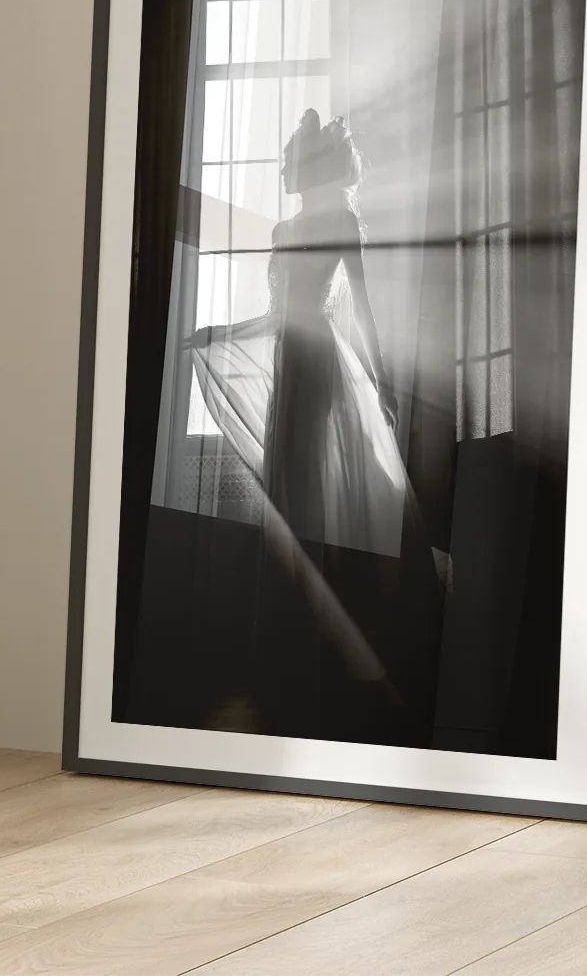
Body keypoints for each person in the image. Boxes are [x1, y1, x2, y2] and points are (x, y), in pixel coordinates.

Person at [186, 109, 443, 744]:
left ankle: (359, 640)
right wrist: (223, 336)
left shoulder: (342, 222)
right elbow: (276, 311)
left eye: (296, 164)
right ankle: (304, 639)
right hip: (291, 360)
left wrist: (380, 386)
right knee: (294, 492)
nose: (289, 174)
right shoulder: (284, 227)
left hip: (324, 364)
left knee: (324, 491)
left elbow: (364, 309)